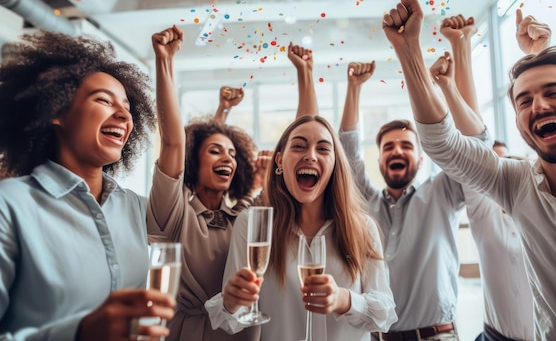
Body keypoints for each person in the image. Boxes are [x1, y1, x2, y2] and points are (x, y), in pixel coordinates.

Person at [384, 0, 556, 340]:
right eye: (524, 101)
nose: (539, 106)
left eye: (554, 92)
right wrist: (408, 49)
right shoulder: (514, 184)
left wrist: (541, 53)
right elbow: (445, 142)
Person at [0, 30, 176, 340]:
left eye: (127, 107)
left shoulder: (135, 207)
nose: (124, 115)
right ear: (56, 110)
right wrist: (79, 332)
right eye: (104, 101)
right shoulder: (10, 205)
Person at [337, 32, 488, 341]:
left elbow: (471, 148)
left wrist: (449, 80)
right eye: (388, 146)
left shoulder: (443, 191)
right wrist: (353, 88)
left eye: (406, 146)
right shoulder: (367, 203)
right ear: (379, 159)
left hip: (436, 336)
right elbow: (348, 153)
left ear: (421, 159)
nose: (396, 151)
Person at [205, 113, 398, 340]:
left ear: (335, 162)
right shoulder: (251, 225)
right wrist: (230, 302)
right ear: (279, 160)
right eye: (299, 146)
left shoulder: (363, 228)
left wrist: (343, 299)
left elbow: (385, 314)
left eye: (324, 149)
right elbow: (226, 321)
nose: (311, 156)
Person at [430, 10, 550, 341]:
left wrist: (539, 53)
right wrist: (461, 48)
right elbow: (473, 142)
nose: (496, 172)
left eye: (504, 163)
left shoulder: (551, 204)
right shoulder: (486, 213)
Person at [147, 26, 263, 341]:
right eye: (214, 152)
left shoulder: (242, 216)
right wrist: (165, 61)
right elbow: (174, 143)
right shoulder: (173, 212)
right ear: (192, 162)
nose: (227, 158)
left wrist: (222, 115)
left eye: (232, 154)